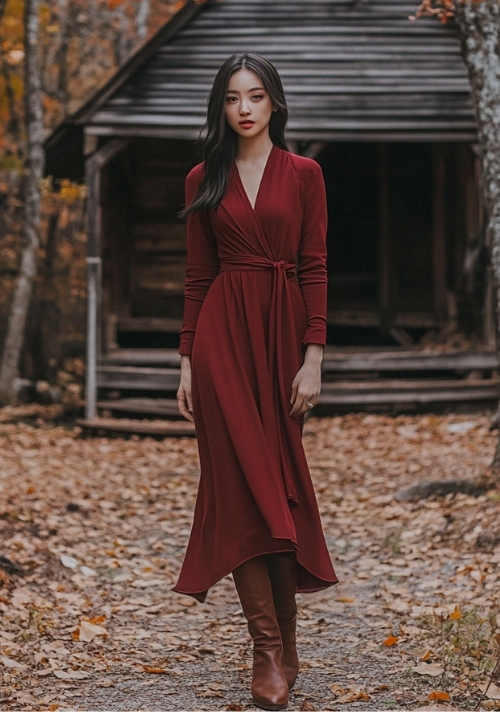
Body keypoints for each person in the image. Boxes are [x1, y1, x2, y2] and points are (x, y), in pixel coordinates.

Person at [175, 53, 338, 711]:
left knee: (279, 488)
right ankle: (267, 649)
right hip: (221, 342)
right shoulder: (202, 177)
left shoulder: (305, 174)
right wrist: (186, 362)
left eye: (257, 96)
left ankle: (287, 642)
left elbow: (317, 264)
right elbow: (196, 279)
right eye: (234, 98)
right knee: (238, 488)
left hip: (282, 339)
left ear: (275, 104)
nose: (245, 108)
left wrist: (313, 355)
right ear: (221, 107)